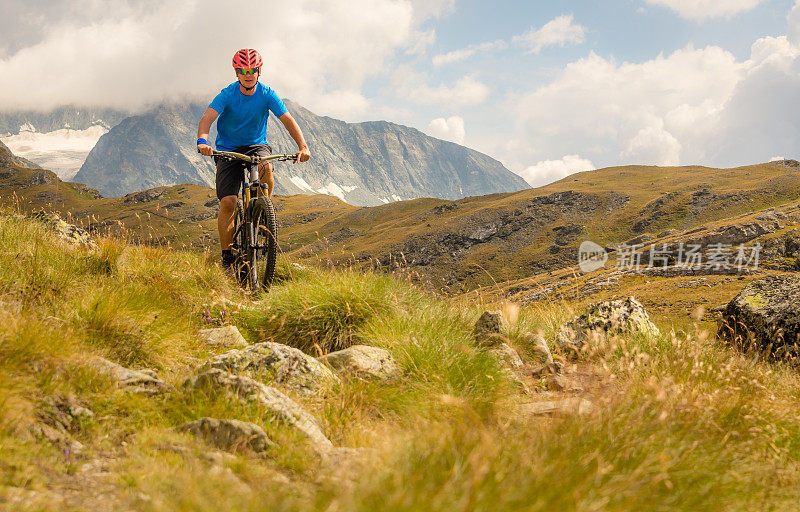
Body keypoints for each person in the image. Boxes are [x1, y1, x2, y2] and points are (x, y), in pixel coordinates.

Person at [197, 48, 310, 269]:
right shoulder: (228, 94)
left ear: (259, 71)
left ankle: (261, 208)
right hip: (227, 148)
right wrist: (203, 141)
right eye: (243, 70)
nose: (248, 74)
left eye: (252, 70)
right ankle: (227, 257)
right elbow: (207, 119)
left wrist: (303, 146)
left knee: (266, 168)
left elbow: (287, 119)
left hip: (257, 146)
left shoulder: (267, 94)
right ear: (237, 73)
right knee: (228, 202)